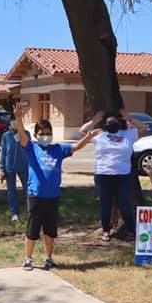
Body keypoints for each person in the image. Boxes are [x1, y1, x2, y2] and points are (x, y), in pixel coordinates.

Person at [15, 103, 93, 270]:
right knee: (33, 229)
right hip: (35, 195)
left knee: (50, 230)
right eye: (42, 134)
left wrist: (88, 137)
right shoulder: (32, 148)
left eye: (48, 133)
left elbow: (76, 147)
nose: (46, 136)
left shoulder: (58, 149)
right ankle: (28, 258)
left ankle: (49, 258)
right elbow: (22, 136)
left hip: (53, 196)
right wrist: (19, 119)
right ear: (36, 135)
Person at [77, 110, 146, 242]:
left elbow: (143, 128)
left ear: (119, 123)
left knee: (124, 203)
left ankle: (131, 230)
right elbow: (82, 131)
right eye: (108, 122)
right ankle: (106, 230)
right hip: (103, 175)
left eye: (114, 122)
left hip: (123, 175)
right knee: (105, 204)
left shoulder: (128, 134)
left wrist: (130, 118)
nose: (111, 124)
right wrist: (94, 121)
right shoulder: (100, 135)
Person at [0, 118, 29, 222]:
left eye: (17, 120)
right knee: (11, 191)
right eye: (13, 121)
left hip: (24, 165)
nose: (15, 123)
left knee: (28, 188)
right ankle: (14, 213)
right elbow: (3, 152)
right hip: (10, 166)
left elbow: (30, 148)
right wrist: (2, 168)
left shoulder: (26, 134)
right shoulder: (6, 136)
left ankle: (31, 210)